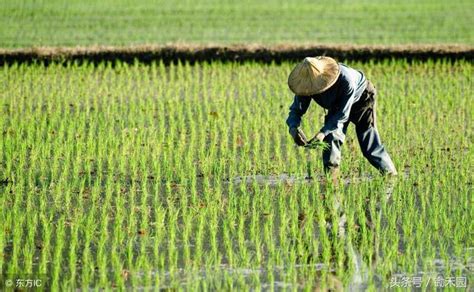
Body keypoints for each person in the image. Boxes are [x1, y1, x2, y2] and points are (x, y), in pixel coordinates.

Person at [286, 56, 398, 177]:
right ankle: (331, 179)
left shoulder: (346, 80)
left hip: (362, 100)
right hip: (336, 106)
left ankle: (391, 175)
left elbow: (342, 114)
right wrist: (293, 127)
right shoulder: (307, 85)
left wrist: (322, 133)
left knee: (368, 142)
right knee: (331, 139)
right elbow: (296, 110)